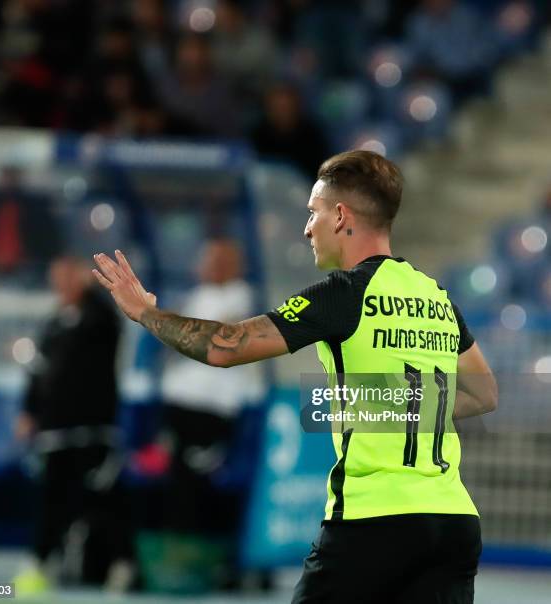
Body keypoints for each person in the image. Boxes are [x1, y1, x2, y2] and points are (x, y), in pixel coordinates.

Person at [93, 150, 498, 603]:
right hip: (453, 520)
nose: (307, 228)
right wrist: (392, 405)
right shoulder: (436, 298)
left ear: (341, 215)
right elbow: (484, 392)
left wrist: (147, 314)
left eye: (314, 213)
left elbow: (225, 347)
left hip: (373, 521)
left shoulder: (345, 294)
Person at [14, 256, 132, 595]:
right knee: (51, 499)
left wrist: (94, 287)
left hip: (93, 431)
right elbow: (37, 374)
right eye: (58, 279)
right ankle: (39, 564)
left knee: (103, 500)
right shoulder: (53, 324)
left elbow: (107, 326)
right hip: (55, 432)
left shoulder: (100, 319)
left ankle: (122, 564)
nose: (62, 285)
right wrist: (28, 411)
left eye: (69, 278)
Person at [159, 239, 264, 533]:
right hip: (179, 404)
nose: (205, 267)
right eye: (204, 260)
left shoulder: (243, 298)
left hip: (213, 409)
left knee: (198, 480)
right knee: (176, 480)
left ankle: (202, 545)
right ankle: (177, 542)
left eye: (215, 261)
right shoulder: (196, 296)